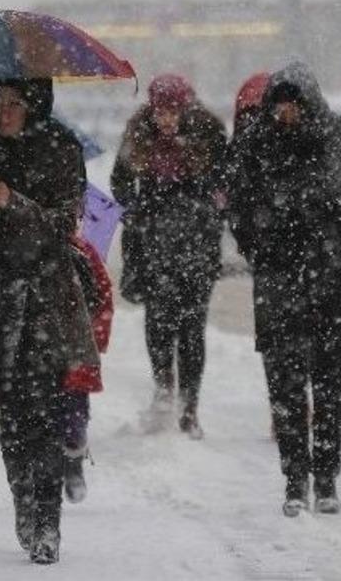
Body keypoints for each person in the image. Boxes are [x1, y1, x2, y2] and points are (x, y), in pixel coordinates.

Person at [225, 61, 341, 517]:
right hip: (279, 280)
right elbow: (235, 201)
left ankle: (327, 477)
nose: (287, 114)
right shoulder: (256, 143)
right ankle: (294, 479)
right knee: (285, 386)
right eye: (279, 105)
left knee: (329, 382)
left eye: (294, 105)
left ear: (310, 102)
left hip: (332, 280)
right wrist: (259, 244)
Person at [0, 77, 98, 565]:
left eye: (14, 104)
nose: (4, 113)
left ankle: (48, 521)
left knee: (42, 417)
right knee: (11, 421)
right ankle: (24, 504)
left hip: (46, 298)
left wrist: (14, 202)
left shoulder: (61, 149)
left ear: (34, 106)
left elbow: (65, 223)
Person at [110, 74, 226, 438]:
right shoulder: (138, 134)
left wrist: (192, 173)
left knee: (192, 329)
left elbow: (223, 181)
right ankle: (163, 391)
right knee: (159, 325)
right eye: (160, 110)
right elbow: (121, 182)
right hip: (152, 244)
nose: (166, 118)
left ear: (185, 108)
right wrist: (139, 205)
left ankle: (189, 408)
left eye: (172, 110)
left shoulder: (208, 133)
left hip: (196, 245)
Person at [61, 229, 113, 503]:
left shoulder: (83, 251)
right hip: (40, 349)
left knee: (74, 412)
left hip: (76, 347)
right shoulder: (27, 247)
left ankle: (73, 460)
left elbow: (103, 295)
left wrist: (96, 337)